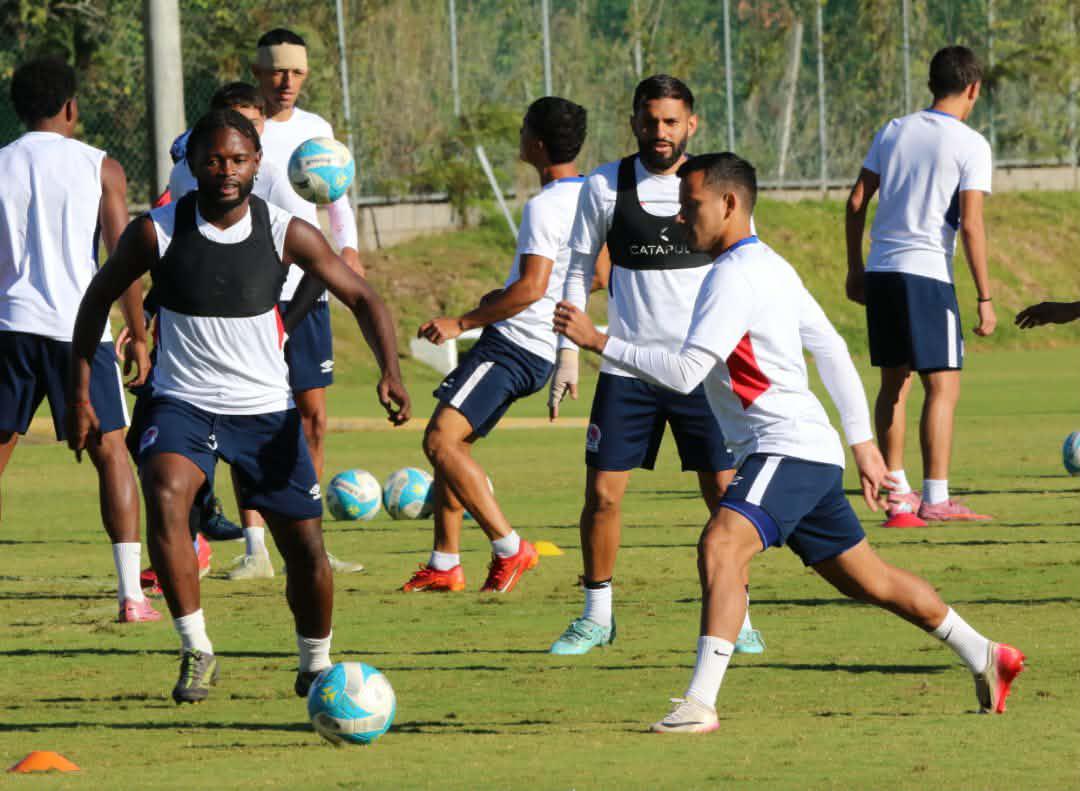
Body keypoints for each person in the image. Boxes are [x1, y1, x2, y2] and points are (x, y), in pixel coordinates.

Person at [555, 152, 1024, 733]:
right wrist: (860, 444)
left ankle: (699, 704)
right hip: (803, 450)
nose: (679, 218)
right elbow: (830, 347)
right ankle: (985, 653)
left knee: (721, 545)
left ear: (729, 204)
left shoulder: (733, 275)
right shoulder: (770, 265)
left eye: (690, 205)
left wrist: (599, 341)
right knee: (871, 580)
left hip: (786, 447)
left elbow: (685, 373)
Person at [65, 109, 410, 704]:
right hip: (181, 402)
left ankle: (315, 664)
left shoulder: (285, 231)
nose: (226, 170)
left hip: (265, 411)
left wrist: (391, 371)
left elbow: (361, 295)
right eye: (214, 160)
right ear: (194, 165)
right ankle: (197, 648)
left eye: (238, 159)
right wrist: (78, 394)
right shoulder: (156, 231)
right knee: (166, 492)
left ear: (257, 163)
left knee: (305, 548)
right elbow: (95, 299)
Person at [546, 75, 760, 656]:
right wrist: (568, 355)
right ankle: (596, 617)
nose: (660, 131)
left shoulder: (717, 187)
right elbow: (577, 268)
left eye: (671, 121)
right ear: (634, 122)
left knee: (725, 497)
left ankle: (737, 614)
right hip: (627, 371)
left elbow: (747, 269)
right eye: (650, 120)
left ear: (691, 124)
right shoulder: (604, 186)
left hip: (703, 372)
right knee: (603, 496)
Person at [402, 97, 587, 593]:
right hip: (539, 348)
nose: (519, 136)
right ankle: (445, 563)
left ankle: (510, 546)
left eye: (524, 128)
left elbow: (530, 288)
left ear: (537, 144)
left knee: (438, 441)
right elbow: (600, 274)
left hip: (512, 345)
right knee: (454, 447)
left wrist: (461, 322)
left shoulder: (545, 205)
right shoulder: (593, 197)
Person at [0, 57, 159, 623]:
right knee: (111, 452)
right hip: (81, 332)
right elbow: (124, 258)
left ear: (17, 108)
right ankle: (131, 595)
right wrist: (138, 334)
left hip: (10, 328)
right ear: (71, 107)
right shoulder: (100, 167)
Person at [219, 28, 367, 579]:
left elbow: (336, 196)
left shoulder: (316, 130)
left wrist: (349, 248)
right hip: (249, 297)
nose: (287, 82)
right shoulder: (234, 132)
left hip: (306, 292)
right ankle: (255, 548)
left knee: (314, 418)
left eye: (297, 72)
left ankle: (310, 544)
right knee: (247, 419)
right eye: (278, 71)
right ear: (258, 72)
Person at [845, 45, 996, 525]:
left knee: (894, 384)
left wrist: (855, 268)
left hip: (882, 270)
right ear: (973, 88)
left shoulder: (893, 130)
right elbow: (971, 224)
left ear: (932, 84)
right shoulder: (971, 144)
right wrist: (985, 297)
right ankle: (936, 497)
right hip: (927, 272)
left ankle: (898, 495)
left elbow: (856, 201)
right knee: (943, 386)